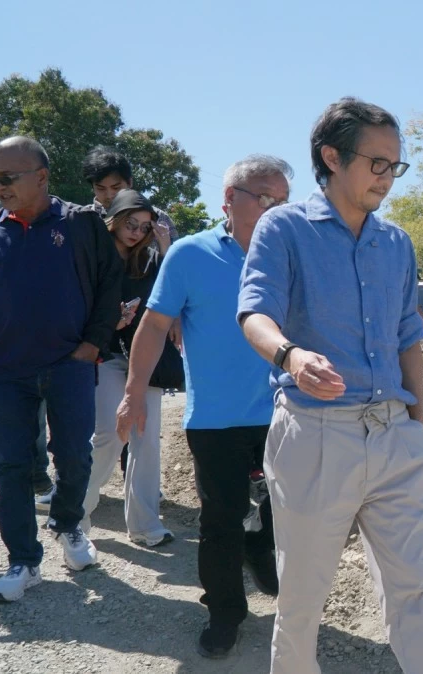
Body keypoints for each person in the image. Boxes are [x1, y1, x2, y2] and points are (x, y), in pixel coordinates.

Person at [239, 98, 423, 673]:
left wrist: (417, 423)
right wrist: (291, 354)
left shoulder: (397, 244)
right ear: (332, 157)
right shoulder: (284, 228)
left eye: (395, 166)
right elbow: (254, 313)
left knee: (415, 592)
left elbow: (410, 331)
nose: (387, 178)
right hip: (315, 435)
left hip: (394, 438)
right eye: (376, 163)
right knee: (304, 600)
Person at [116, 155, 291, 657]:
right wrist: (133, 393)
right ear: (229, 200)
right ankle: (225, 612)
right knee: (220, 520)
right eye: (264, 197)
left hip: (285, 411)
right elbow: (152, 327)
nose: (275, 208)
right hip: (215, 417)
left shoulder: (290, 253)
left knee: (291, 508)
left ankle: (260, 545)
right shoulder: (190, 255)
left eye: (282, 200)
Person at [0, 136, 122, 601]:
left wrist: (92, 344)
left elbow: (111, 282)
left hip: (69, 364)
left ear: (42, 177)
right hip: (6, 372)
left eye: (7, 177)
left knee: (73, 454)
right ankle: (23, 562)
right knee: (10, 467)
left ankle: (69, 526)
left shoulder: (82, 224)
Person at [82, 190, 175, 546]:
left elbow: (172, 291)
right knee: (109, 432)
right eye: (130, 224)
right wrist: (111, 322)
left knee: (146, 438)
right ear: (116, 220)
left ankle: (145, 525)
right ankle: (75, 511)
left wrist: (166, 248)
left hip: (144, 358)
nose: (136, 232)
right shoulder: (93, 254)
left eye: (145, 227)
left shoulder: (149, 260)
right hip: (105, 353)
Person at [81, 146, 176, 254]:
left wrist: (165, 251)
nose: (109, 195)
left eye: (116, 187)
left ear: (130, 183)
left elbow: (175, 264)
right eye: (101, 188)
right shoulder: (84, 219)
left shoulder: (159, 218)